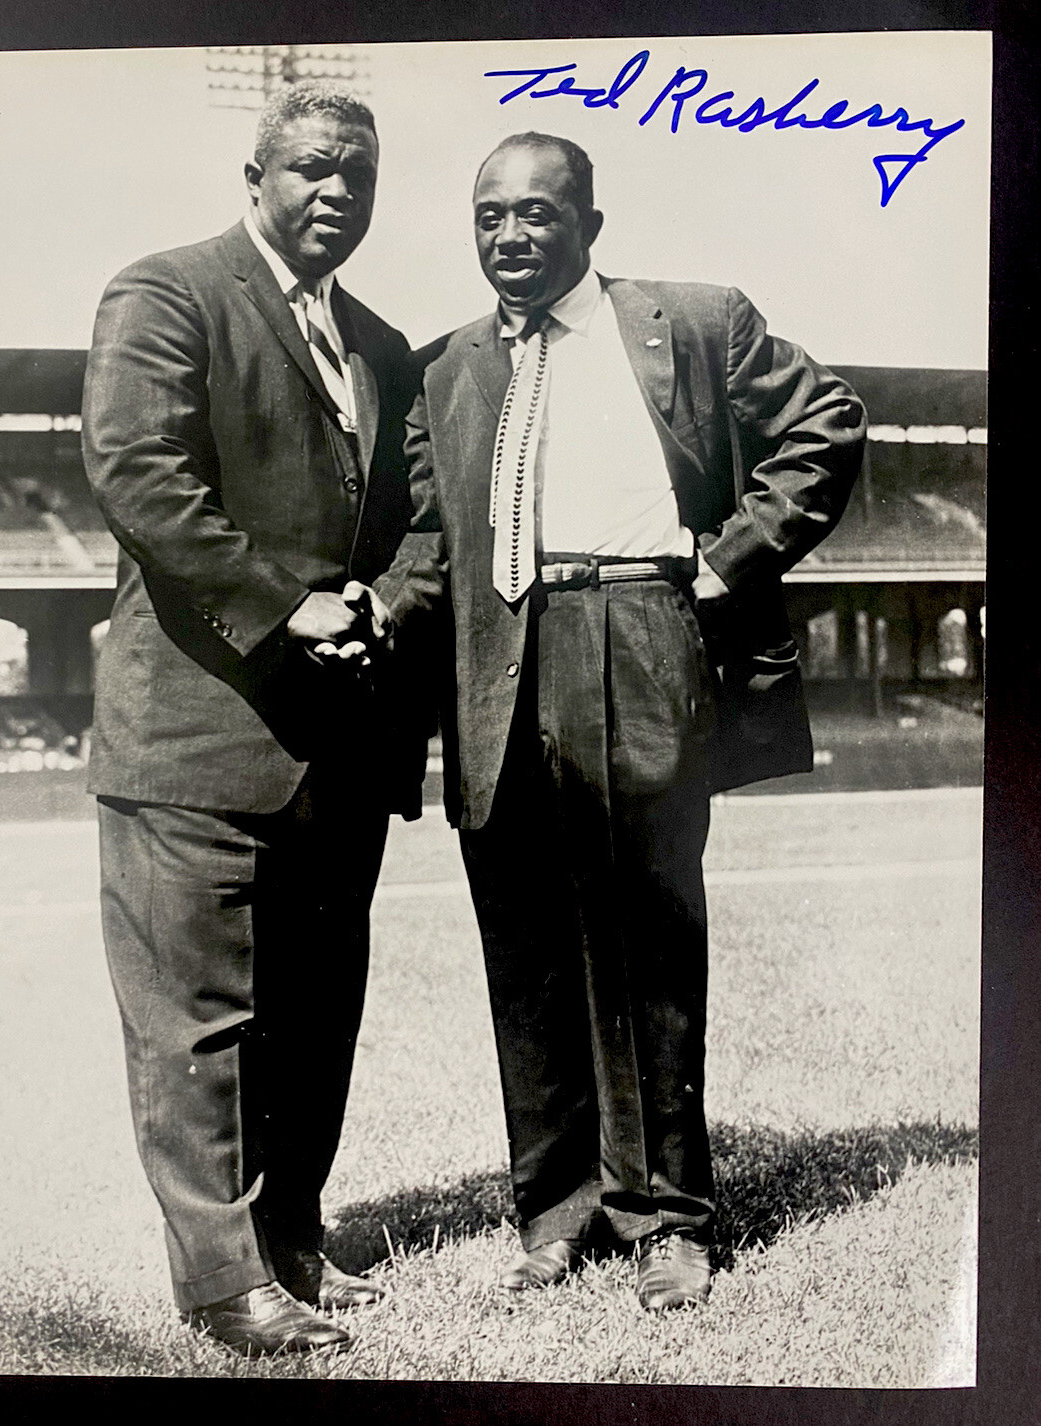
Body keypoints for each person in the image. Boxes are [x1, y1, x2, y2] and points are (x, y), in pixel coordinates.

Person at [375, 131, 866, 1314]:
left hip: (639, 629)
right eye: (489, 215)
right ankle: (556, 1212)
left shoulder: (693, 322)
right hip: (501, 656)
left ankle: (669, 1219)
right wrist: (388, 596)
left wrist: (730, 556)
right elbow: (437, 536)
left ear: (590, 222)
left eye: (537, 214)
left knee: (646, 941)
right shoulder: (446, 369)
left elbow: (827, 424)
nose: (510, 236)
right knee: (528, 949)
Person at [81, 82, 422, 1357]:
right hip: (194, 738)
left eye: (360, 177)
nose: (338, 192)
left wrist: (382, 603)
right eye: (314, 170)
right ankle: (225, 1284)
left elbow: (414, 519)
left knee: (314, 1012)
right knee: (199, 1025)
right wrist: (290, 607)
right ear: (255, 174)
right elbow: (136, 473)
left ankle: (290, 1243)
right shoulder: (166, 292)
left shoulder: (381, 344)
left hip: (337, 747)